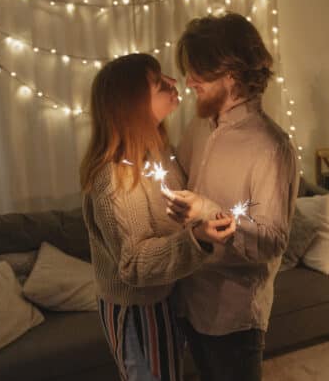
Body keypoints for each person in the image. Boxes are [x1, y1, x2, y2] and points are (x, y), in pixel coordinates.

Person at [80, 53, 236, 381]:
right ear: (133, 103)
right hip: (137, 311)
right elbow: (134, 263)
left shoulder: (159, 151)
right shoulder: (115, 179)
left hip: (166, 298)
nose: (172, 83)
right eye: (158, 83)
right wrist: (197, 239)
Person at [165, 13, 300, 381]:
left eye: (198, 72)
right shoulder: (198, 126)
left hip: (233, 318)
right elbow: (179, 178)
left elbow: (272, 242)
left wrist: (209, 211)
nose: (189, 81)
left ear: (230, 76)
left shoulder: (270, 148)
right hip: (188, 299)